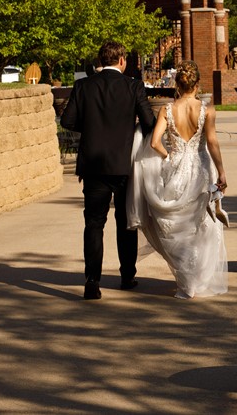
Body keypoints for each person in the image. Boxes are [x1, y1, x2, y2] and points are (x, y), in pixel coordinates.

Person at [61, 41, 156, 300]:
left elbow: (67, 120)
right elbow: (149, 123)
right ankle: (127, 276)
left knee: (94, 223)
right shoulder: (134, 86)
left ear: (100, 60)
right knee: (126, 223)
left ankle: (92, 280)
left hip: (93, 165)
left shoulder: (83, 86)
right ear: (122, 60)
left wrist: (92, 128)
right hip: (124, 165)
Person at [129, 60, 229, 300]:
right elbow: (212, 142)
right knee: (200, 224)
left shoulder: (166, 110)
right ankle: (197, 278)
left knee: (175, 223)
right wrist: (222, 171)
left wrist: (168, 156)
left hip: (175, 166)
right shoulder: (207, 110)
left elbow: (154, 143)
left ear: (177, 84)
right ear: (197, 84)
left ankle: (186, 281)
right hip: (201, 167)